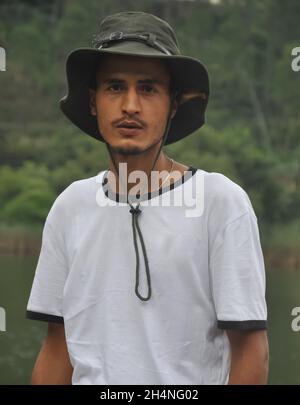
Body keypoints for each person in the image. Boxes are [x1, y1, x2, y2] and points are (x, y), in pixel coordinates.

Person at [26, 11, 268, 385]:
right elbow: (57, 350)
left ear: (173, 104)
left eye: (149, 88)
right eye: (115, 87)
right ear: (94, 102)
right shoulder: (70, 207)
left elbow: (250, 350)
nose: (130, 106)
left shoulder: (219, 202)